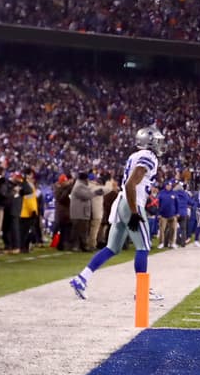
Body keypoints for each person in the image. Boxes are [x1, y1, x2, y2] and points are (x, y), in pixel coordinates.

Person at [68, 126, 165, 302]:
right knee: (143, 247)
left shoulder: (134, 155)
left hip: (122, 202)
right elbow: (130, 185)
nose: (160, 144)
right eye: (157, 141)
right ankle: (142, 290)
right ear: (148, 141)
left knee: (112, 248)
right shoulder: (148, 156)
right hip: (132, 203)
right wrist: (135, 212)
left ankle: (81, 278)